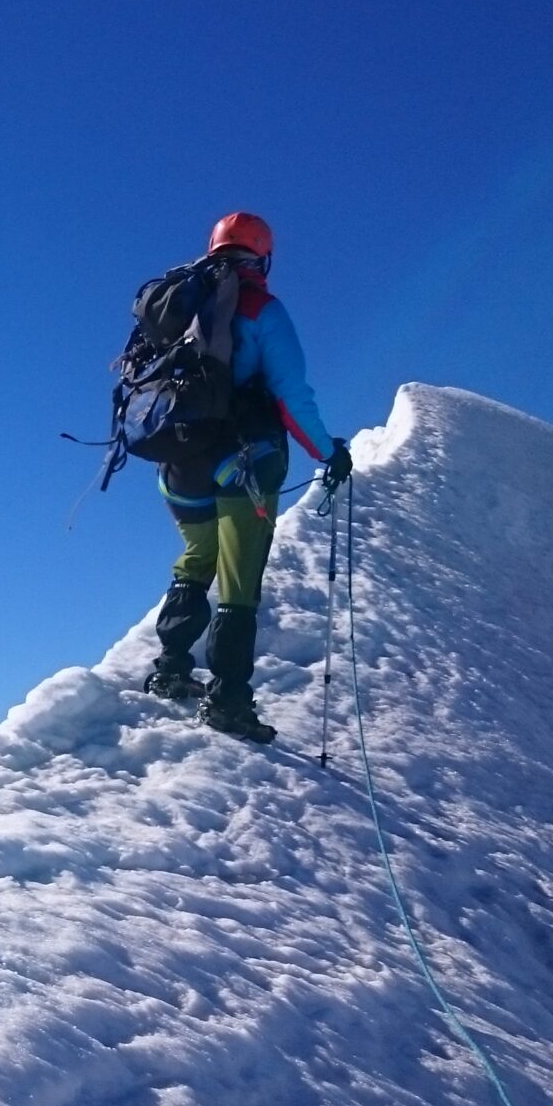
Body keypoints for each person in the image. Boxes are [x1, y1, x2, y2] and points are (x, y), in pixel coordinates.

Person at [142, 211, 351, 743]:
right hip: (244, 462)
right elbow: (290, 395)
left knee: (197, 557)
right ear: (263, 256)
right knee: (239, 580)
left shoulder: (180, 303)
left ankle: (170, 667)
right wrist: (328, 452)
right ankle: (228, 699)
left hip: (179, 459)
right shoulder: (261, 308)